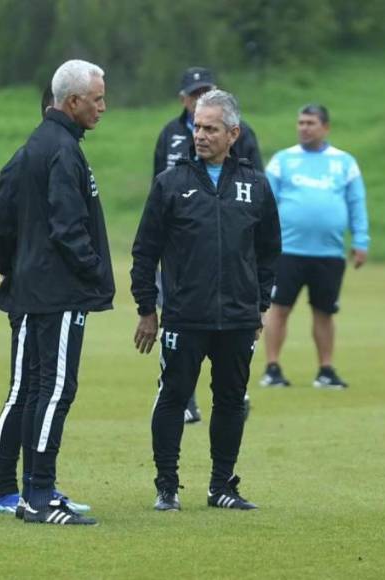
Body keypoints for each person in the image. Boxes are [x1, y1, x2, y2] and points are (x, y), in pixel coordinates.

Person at [132, 89, 281, 512]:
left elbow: (269, 250)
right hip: (184, 315)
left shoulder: (255, 185)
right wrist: (147, 308)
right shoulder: (170, 183)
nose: (200, 135)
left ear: (233, 134)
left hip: (237, 317)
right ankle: (167, 487)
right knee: (173, 397)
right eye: (197, 127)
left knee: (231, 401)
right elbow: (145, 251)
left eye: (210, 128)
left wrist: (259, 305)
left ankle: (221, 487)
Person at [0, 59, 114, 526]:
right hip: (56, 292)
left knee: (30, 388)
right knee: (53, 389)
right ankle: (36, 496)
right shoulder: (60, 150)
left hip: (33, 288)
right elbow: (67, 227)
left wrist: (18, 269)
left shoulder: (36, 146)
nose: (103, 107)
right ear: (73, 102)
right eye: (97, 99)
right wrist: (92, 271)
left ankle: (19, 490)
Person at [152, 66, 264, 424]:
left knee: (232, 324)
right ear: (183, 99)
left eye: (206, 91)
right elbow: (159, 186)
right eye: (194, 94)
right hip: (184, 252)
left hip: (229, 247)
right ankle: (183, 397)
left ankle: (235, 389)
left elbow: (256, 190)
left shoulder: (241, 133)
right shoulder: (169, 134)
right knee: (181, 326)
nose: (200, 99)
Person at [259, 104, 369, 390]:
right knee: (278, 308)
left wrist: (361, 240)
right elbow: (265, 203)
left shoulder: (344, 162)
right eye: (301, 122)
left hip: (329, 253)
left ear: (325, 127)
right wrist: (261, 240)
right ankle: (272, 368)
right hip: (287, 251)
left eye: (310, 123)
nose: (304, 128)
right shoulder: (282, 160)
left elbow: (356, 202)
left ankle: (326, 370)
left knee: (324, 311)